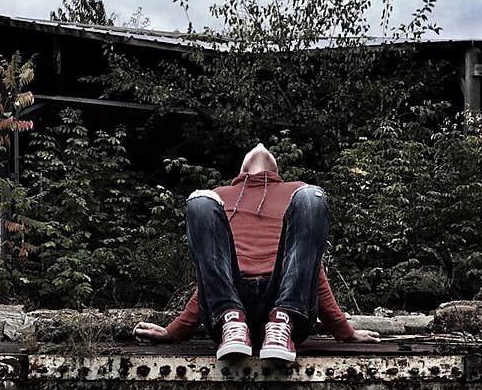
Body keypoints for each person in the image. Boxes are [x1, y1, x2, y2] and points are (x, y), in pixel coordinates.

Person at [133, 143, 380, 361]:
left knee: (311, 196)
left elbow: (310, 269)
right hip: (230, 311)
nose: (261, 146)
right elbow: (212, 273)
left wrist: (344, 331)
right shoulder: (219, 198)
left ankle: (282, 321)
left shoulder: (296, 194)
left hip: (288, 310)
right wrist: (174, 331)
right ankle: (233, 321)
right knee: (199, 201)